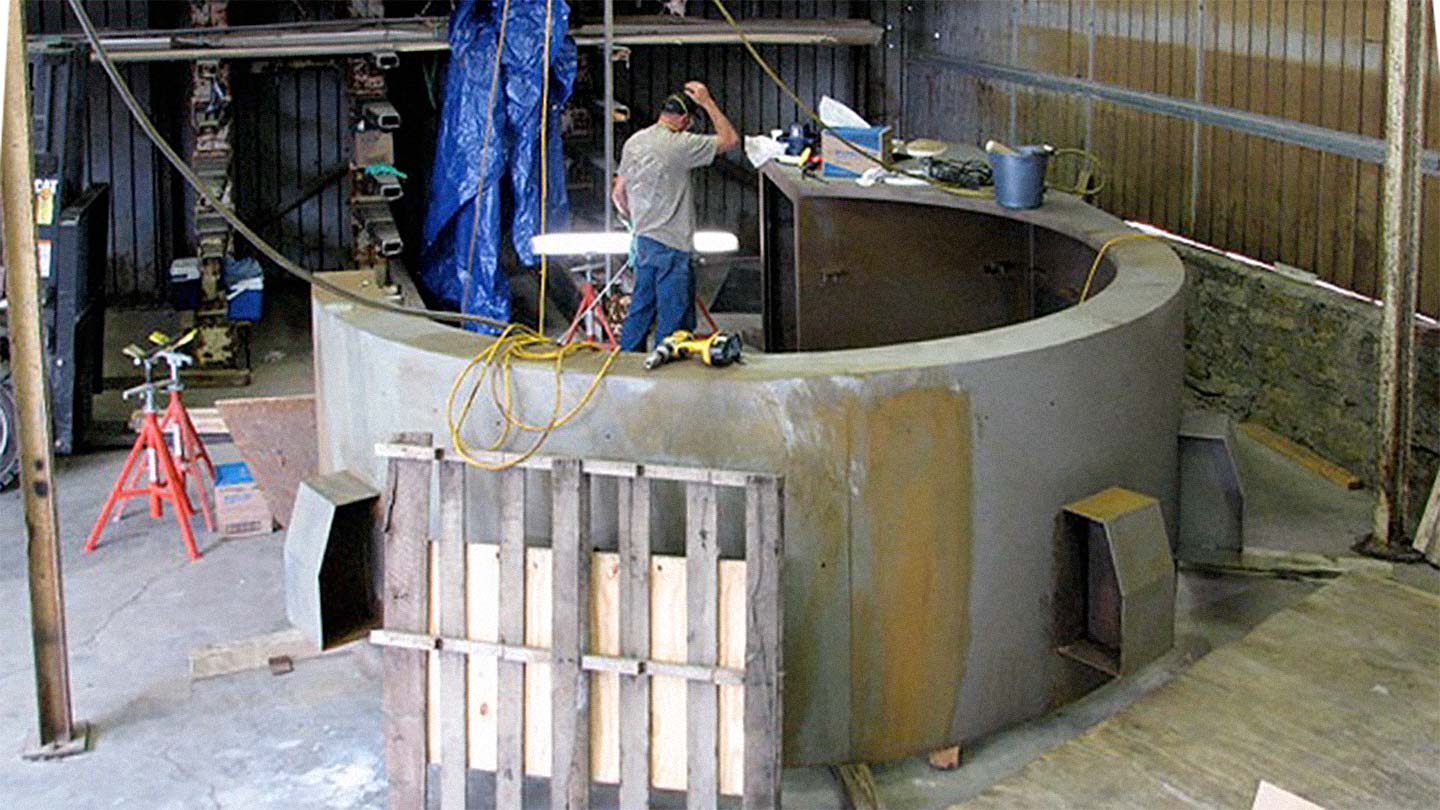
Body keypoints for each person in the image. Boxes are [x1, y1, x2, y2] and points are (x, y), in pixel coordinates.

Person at [612, 81, 739, 352]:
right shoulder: (680, 145)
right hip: (672, 245)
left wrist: (635, 222)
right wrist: (707, 101)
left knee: (641, 309)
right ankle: (666, 376)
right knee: (673, 319)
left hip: (643, 242)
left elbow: (618, 194)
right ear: (684, 119)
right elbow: (730, 139)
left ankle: (625, 368)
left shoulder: (635, 142)